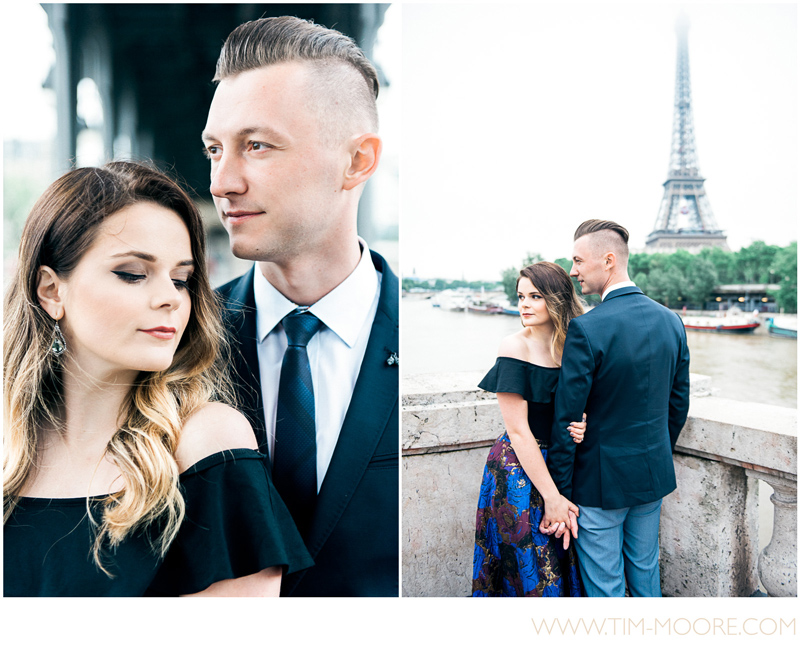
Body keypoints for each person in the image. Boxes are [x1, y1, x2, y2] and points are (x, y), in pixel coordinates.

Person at [3, 161, 313, 597]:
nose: (170, 298)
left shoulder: (206, 443)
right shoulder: (10, 447)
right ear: (52, 290)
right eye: (132, 273)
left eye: (182, 279)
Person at [204, 16, 399, 597]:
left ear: (358, 161)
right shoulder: (175, 344)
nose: (221, 181)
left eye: (256, 145)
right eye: (214, 149)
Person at [548, 219, 691, 597]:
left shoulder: (587, 329)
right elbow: (678, 404)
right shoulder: (672, 322)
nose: (573, 270)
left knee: (606, 589)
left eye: (578, 260)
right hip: (651, 475)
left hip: (599, 483)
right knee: (646, 578)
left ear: (608, 260)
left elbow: (567, 419)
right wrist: (656, 452)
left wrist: (561, 491)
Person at [472, 261, 587, 597]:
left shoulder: (576, 345)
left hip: (563, 463)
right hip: (517, 472)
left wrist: (583, 423)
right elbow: (519, 431)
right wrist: (552, 498)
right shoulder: (514, 347)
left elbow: (585, 402)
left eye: (535, 296)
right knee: (531, 570)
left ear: (557, 299)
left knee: (564, 561)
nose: (523, 304)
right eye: (520, 296)